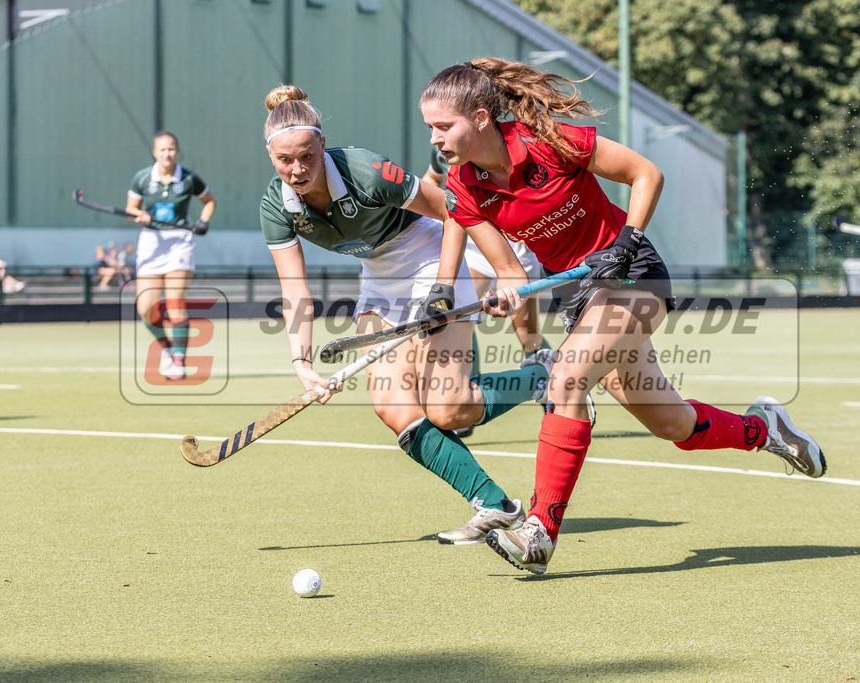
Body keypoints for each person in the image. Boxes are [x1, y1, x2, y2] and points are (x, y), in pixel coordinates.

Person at [419, 57, 826, 574]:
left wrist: (627, 242)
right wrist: (506, 297)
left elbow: (645, 174)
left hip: (632, 273)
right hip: (580, 297)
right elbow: (512, 274)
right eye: (429, 127)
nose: (434, 138)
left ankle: (539, 531)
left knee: (565, 378)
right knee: (671, 423)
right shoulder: (463, 187)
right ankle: (764, 429)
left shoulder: (549, 141)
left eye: (443, 126)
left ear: (480, 118)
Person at [259, 84, 555, 544]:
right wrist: (302, 362)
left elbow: (455, 210)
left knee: (450, 408)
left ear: (323, 145)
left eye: (306, 157)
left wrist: (452, 283)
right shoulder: (276, 206)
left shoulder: (364, 170)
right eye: (285, 160)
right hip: (379, 279)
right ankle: (495, 506)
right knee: (394, 409)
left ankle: (545, 377)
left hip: (431, 258)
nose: (297, 170)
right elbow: (295, 290)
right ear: (271, 156)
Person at [423, 147, 555, 438]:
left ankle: (561, 384)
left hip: (515, 250)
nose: (438, 136)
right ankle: (465, 397)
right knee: (460, 314)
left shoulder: (501, 150)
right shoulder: (444, 152)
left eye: (444, 126)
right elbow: (430, 182)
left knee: (527, 336)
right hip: (474, 243)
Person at [126, 131, 216, 381]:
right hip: (151, 243)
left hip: (180, 243)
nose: (167, 153)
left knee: (175, 303)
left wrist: (203, 221)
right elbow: (131, 208)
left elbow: (209, 202)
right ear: (155, 152)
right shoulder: (142, 178)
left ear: (177, 151)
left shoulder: (188, 178)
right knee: (146, 308)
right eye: (163, 149)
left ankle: (179, 361)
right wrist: (138, 216)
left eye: (171, 148)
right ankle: (167, 347)